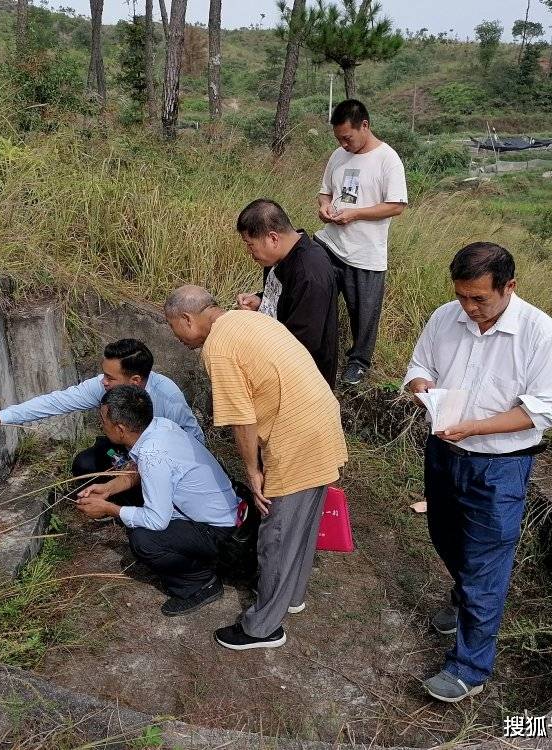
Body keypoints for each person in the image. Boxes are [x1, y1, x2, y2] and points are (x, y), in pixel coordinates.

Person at [401, 242, 552, 703]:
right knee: (445, 536)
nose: (469, 308)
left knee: (485, 564)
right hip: (444, 454)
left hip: (499, 467)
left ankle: (469, 668)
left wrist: (476, 427)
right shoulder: (444, 318)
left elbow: (544, 409)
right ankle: (464, 602)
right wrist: (423, 387)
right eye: (462, 297)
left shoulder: (541, 334)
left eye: (480, 299)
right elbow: (419, 366)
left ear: (509, 287)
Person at [164, 285, 348, 651]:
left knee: (276, 532)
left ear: (187, 319)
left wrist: (254, 472)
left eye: (175, 329)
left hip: (295, 436)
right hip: (322, 420)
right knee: (303, 520)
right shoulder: (250, 320)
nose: (178, 339)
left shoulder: (218, 349)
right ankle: (290, 595)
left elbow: (242, 419)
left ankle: (263, 627)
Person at [0, 339, 203, 503]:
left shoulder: (167, 398)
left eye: (110, 377)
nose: (103, 382)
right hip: (129, 455)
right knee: (85, 465)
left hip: (168, 463)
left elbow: (193, 444)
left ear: (136, 381)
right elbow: (56, 402)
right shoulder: (104, 387)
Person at [74, 385, 239, 616]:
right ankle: (194, 561)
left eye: (103, 420)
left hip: (219, 531)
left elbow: (157, 520)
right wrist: (108, 488)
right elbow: (139, 470)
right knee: (137, 514)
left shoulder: (153, 455)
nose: (101, 424)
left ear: (120, 429)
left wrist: (109, 509)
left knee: (144, 539)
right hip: (222, 512)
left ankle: (199, 583)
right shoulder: (159, 426)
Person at [315, 99, 408, 387]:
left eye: (347, 138)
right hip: (331, 243)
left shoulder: (387, 159)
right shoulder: (338, 156)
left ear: (364, 126)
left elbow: (396, 205)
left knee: (364, 313)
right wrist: (324, 208)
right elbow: (325, 192)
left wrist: (356, 214)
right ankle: (316, 350)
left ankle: (358, 362)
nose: (343, 144)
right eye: (339, 139)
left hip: (366, 253)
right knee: (315, 293)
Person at [234, 198, 339, 387]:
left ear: (273, 238)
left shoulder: (310, 273)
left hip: (303, 382)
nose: (249, 252)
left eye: (250, 245)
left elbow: (302, 343)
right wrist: (260, 300)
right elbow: (284, 298)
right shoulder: (280, 256)